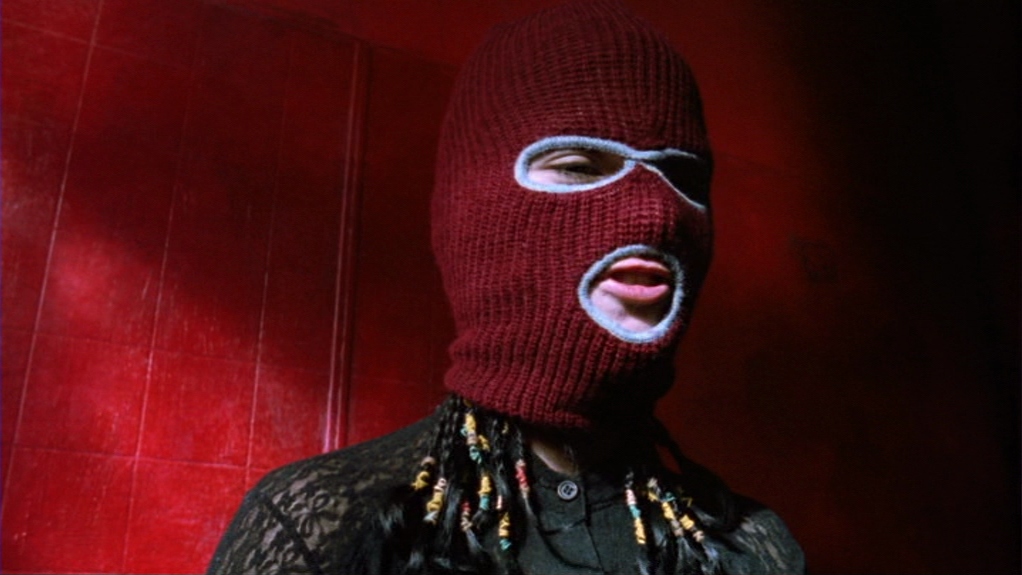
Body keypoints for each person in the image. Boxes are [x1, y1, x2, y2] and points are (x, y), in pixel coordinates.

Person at [207, 1, 805, 573]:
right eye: (579, 166)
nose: (658, 214)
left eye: (681, 177)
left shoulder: (753, 548)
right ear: (474, 212)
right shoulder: (326, 524)